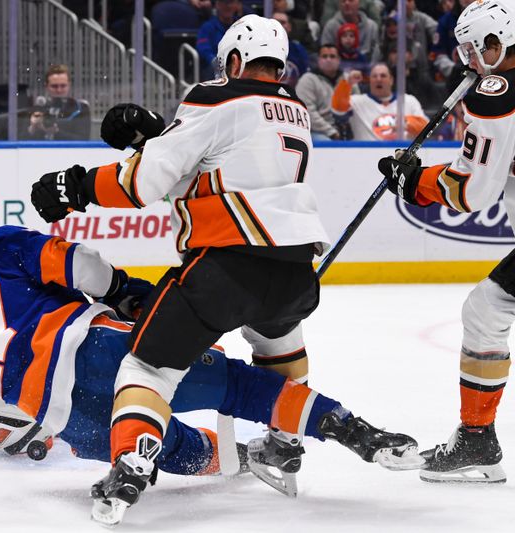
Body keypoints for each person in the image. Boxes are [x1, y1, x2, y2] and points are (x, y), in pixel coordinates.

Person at [30, 15, 421, 523]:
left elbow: (145, 184)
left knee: (147, 368)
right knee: (277, 340)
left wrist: (75, 187)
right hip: (295, 271)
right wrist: (160, 134)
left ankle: (130, 461)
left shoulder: (214, 96)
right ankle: (284, 443)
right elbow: (221, 169)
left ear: (234, 60)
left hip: (224, 267)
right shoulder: (297, 110)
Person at [0, 214, 422, 525]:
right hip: (93, 352)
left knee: (171, 446)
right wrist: (118, 289)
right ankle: (351, 430)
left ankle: (229, 460)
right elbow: (79, 264)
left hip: (63, 419)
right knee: (237, 386)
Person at [378, 0, 515, 484]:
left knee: (486, 311)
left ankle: (478, 441)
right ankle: (478, 439)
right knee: (488, 310)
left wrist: (414, 181)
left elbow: (473, 190)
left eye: (474, 50)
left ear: (496, 46)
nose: (468, 61)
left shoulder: (498, 91)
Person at [331, 62, 428, 140]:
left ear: (391, 80)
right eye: (374, 76)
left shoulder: (409, 101)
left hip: (401, 155)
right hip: (365, 154)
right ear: (370, 80)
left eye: (383, 76)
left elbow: (426, 128)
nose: (378, 79)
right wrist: (347, 83)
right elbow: (338, 111)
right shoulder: (357, 101)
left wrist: (407, 124)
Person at [297, 43, 352, 140]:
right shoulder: (307, 80)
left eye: (332, 56)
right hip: (317, 131)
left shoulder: (348, 79)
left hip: (345, 129)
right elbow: (307, 112)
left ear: (339, 60)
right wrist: (332, 132)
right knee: (325, 141)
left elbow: (357, 107)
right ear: (318, 60)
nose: (328, 60)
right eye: (324, 56)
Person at [22, 64, 91, 141]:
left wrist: (56, 132)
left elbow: (83, 140)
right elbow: (20, 141)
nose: (59, 90)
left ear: (69, 85)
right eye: (54, 86)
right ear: (46, 86)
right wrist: (32, 128)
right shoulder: (36, 109)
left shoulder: (80, 108)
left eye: (63, 86)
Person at [196, 0, 243, 80]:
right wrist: (217, 61)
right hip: (214, 68)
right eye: (224, 2)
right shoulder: (207, 27)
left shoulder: (242, 26)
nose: (227, 6)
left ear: (236, 5)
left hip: (238, 66)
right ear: (217, 5)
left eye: (231, 2)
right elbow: (203, 48)